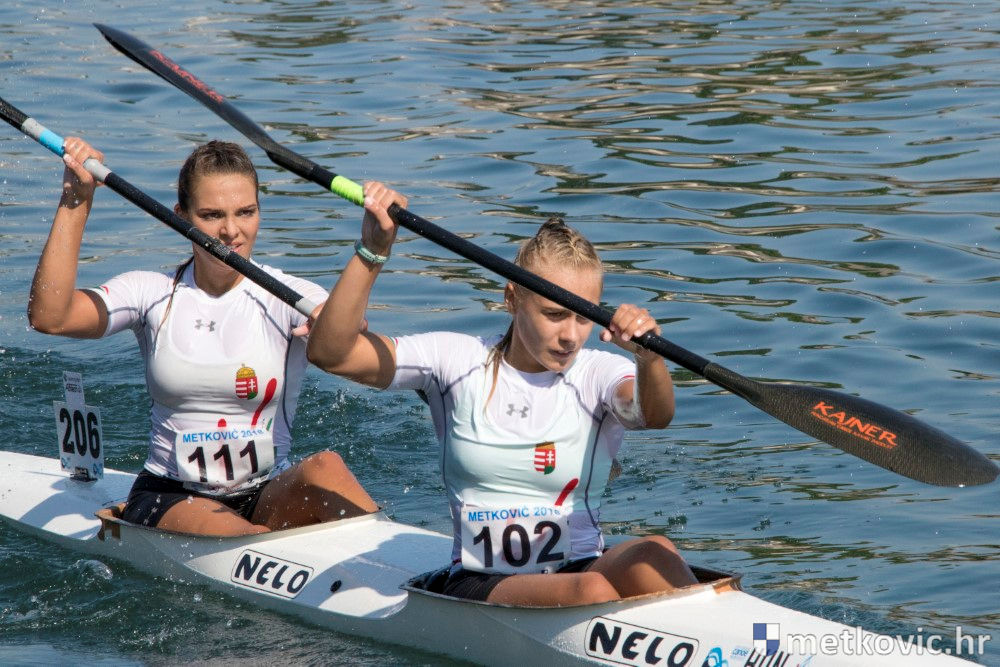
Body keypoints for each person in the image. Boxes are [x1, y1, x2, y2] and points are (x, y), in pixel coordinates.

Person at [306, 182, 697, 605]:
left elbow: (652, 415)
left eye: (584, 318)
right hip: (480, 580)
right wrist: (373, 249)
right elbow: (332, 353)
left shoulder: (599, 372)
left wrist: (649, 359)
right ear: (512, 298)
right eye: (554, 314)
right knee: (593, 589)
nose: (570, 336)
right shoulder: (455, 361)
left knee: (656, 552)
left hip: (582, 565)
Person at [28, 136, 377, 536]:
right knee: (247, 537)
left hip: (265, 491)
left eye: (246, 212)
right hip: (171, 494)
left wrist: (366, 267)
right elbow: (51, 317)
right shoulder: (151, 292)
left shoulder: (291, 297)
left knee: (327, 466)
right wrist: (76, 199)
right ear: (180, 217)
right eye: (212, 215)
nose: (231, 231)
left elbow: (349, 344)